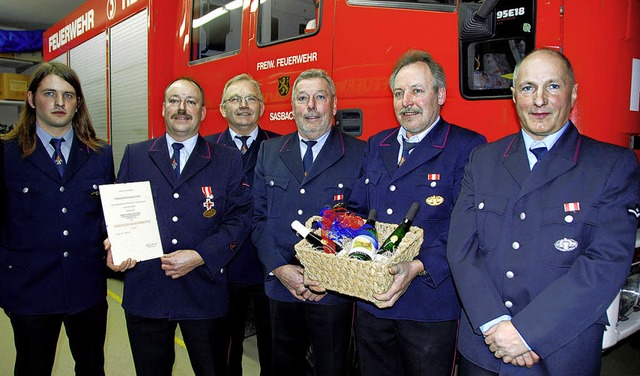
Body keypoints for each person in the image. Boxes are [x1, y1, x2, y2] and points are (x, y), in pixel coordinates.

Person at [447, 48, 640, 375]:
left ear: (573, 92)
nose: (539, 100)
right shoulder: (483, 161)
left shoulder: (611, 166)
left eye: (552, 86)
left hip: (559, 354)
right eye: (527, 88)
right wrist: (494, 322)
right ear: (513, 96)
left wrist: (526, 333)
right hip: (483, 351)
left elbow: (605, 262)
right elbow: (461, 248)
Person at [346, 49, 486, 375]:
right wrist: (334, 242)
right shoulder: (376, 144)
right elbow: (357, 207)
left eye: (417, 91)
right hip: (372, 302)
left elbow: (468, 227)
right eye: (398, 93)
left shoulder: (466, 146)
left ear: (441, 95)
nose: (406, 101)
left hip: (429, 306)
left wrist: (419, 265)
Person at [107, 77, 253, 376]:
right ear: (163, 108)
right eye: (174, 101)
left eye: (191, 102)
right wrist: (115, 243)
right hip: (147, 291)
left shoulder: (227, 159)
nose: (182, 108)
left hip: (204, 292)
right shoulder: (136, 154)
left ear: (203, 112)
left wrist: (201, 255)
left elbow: (240, 217)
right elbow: (120, 210)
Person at [0, 62, 115, 375]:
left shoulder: (100, 154)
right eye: (50, 93)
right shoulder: (7, 153)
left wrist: (116, 241)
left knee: (92, 367)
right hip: (29, 290)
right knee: (32, 368)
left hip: (86, 289)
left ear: (78, 102)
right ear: (32, 98)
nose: (60, 102)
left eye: (68, 95)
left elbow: (108, 215)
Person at [252, 68, 365, 376]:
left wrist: (324, 275)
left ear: (334, 104)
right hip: (280, 288)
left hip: (332, 294)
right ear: (293, 108)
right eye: (302, 98)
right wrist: (279, 268)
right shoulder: (270, 151)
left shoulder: (359, 153)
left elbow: (361, 221)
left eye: (319, 97)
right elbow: (258, 218)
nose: (311, 106)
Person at [205, 73, 279, 376]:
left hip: (270, 266)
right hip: (225, 266)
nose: (243, 105)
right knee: (224, 350)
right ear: (223, 109)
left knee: (274, 350)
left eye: (250, 99)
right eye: (235, 99)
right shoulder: (205, 150)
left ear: (262, 107)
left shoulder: (280, 147)